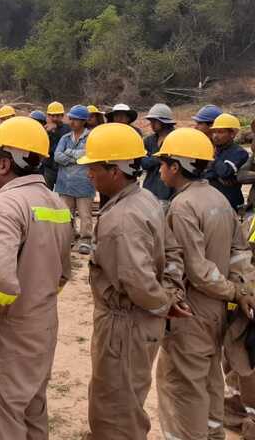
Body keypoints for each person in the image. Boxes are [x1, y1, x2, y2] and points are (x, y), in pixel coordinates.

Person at [0, 116, 72, 439]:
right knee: (32, 416)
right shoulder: (56, 203)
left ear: (5, 164)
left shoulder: (3, 207)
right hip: (40, 331)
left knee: (0, 423)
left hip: (3, 340)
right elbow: (61, 274)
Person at [154, 127, 255, 440]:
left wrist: (234, 291)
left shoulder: (183, 207)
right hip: (217, 312)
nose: (160, 170)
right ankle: (213, 434)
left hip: (191, 312)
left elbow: (197, 270)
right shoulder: (218, 199)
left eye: (164, 163)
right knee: (209, 378)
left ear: (176, 166)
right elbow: (240, 252)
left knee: (181, 389)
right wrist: (242, 290)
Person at [77, 123, 177, 439]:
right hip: (137, 323)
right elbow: (172, 251)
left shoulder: (121, 219)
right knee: (125, 398)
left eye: (94, 167)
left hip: (125, 324)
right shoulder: (145, 198)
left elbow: (136, 282)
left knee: (116, 410)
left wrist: (164, 304)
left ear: (116, 171)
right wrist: (170, 296)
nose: (89, 174)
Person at [54, 105, 94, 255]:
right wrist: (77, 157)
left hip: (84, 182)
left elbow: (89, 155)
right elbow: (57, 156)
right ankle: (69, 237)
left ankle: (85, 240)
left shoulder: (91, 137)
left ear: (83, 121)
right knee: (66, 213)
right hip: (65, 183)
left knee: (85, 214)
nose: (71, 122)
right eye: (70, 118)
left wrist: (69, 154)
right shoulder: (65, 138)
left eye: (75, 119)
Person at [205, 113, 250, 213]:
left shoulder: (239, 152)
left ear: (232, 134)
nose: (215, 136)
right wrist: (216, 176)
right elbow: (205, 175)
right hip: (212, 202)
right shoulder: (217, 150)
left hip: (230, 204)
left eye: (220, 132)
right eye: (214, 132)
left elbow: (225, 172)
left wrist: (212, 158)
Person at [140, 103, 176, 208]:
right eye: (151, 121)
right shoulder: (149, 141)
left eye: (155, 121)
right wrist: (160, 158)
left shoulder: (176, 138)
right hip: (150, 189)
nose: (152, 124)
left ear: (164, 122)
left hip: (169, 191)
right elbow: (143, 162)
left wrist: (154, 158)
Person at [42, 101, 70, 190]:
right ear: (48, 116)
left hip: (63, 168)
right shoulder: (44, 129)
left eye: (57, 116)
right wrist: (48, 132)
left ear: (62, 116)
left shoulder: (68, 129)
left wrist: (55, 131)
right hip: (49, 167)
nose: (55, 118)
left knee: (63, 195)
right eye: (52, 116)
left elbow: (66, 144)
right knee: (46, 193)